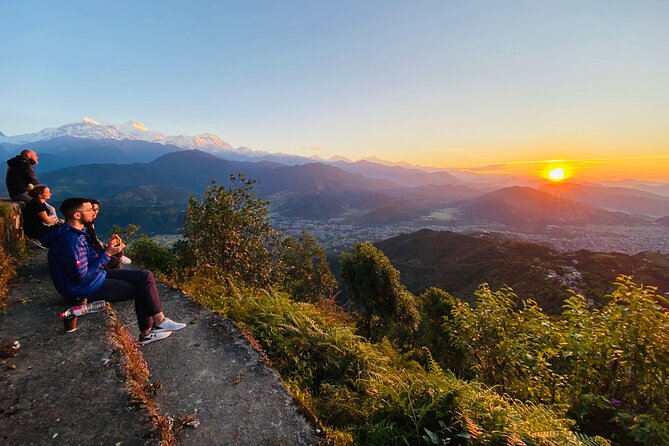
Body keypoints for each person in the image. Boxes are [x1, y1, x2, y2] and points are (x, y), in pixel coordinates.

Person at [41, 197, 186, 345]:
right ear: (77, 215)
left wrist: (107, 248)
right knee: (139, 289)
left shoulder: (79, 232)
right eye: (90, 210)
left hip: (96, 277)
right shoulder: (70, 242)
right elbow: (81, 278)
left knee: (145, 276)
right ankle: (146, 333)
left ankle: (160, 321)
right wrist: (108, 254)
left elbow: (89, 260)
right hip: (83, 288)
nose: (94, 213)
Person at [85, 199, 131, 270]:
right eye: (91, 210)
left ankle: (118, 257)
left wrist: (109, 245)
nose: (94, 212)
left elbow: (94, 240)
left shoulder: (90, 224)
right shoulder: (80, 228)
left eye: (96, 209)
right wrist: (108, 251)